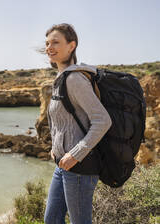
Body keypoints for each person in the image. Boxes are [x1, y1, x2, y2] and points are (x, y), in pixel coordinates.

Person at [42, 23, 112, 224]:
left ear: (71, 46)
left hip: (80, 167)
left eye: (56, 42)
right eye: (47, 43)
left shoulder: (74, 79)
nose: (49, 47)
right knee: (52, 220)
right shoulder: (61, 78)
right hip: (63, 164)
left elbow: (102, 120)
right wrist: (55, 147)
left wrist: (75, 154)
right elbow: (62, 122)